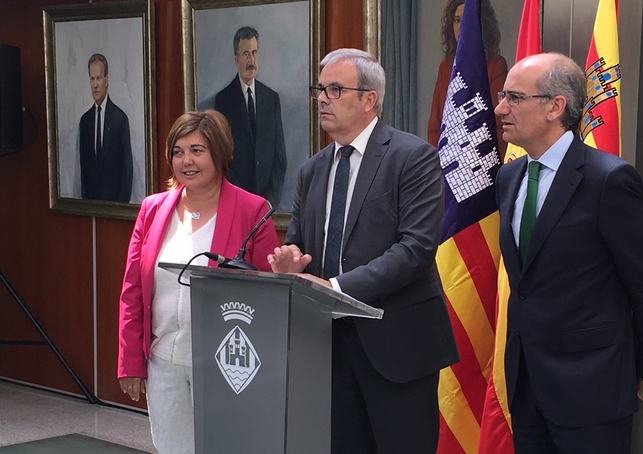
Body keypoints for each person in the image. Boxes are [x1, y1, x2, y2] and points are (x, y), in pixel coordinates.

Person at [268, 48, 459, 454]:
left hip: (397, 349)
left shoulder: (412, 158)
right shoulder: (312, 169)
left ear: (369, 99)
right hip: (328, 349)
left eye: (335, 89)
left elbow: (416, 249)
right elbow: (300, 242)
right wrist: (290, 259)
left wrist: (334, 287)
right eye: (320, 88)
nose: (322, 98)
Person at [494, 52, 643, 453]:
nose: (500, 107)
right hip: (526, 383)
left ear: (555, 107)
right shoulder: (509, 176)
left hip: (591, 387)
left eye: (514, 97)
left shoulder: (609, 179)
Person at [117, 110, 280, 454]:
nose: (186, 161)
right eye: (178, 151)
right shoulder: (152, 209)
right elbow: (133, 289)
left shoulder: (253, 211)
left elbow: (271, 294)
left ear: (219, 154)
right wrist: (130, 360)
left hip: (227, 364)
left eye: (196, 150)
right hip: (163, 360)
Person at [214, 26, 287, 206]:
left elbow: (279, 157)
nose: (251, 60)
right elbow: (220, 157)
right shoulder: (223, 100)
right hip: (235, 202)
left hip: (267, 204)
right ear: (236, 60)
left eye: (254, 53)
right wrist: (237, 200)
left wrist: (269, 202)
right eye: (246, 54)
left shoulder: (272, 99)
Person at [428, 0, 508, 155]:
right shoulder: (445, 67)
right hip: (447, 159)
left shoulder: (495, 65)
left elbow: (498, 124)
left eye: (467, 19)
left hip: (482, 159)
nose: (462, 26)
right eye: (457, 20)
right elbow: (435, 124)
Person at [78, 53, 133, 202]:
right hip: (91, 208)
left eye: (99, 78)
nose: (95, 84)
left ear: (106, 80)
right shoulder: (85, 121)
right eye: (92, 79)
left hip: (115, 206)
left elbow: (127, 170)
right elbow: (84, 171)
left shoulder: (120, 119)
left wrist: (120, 208)